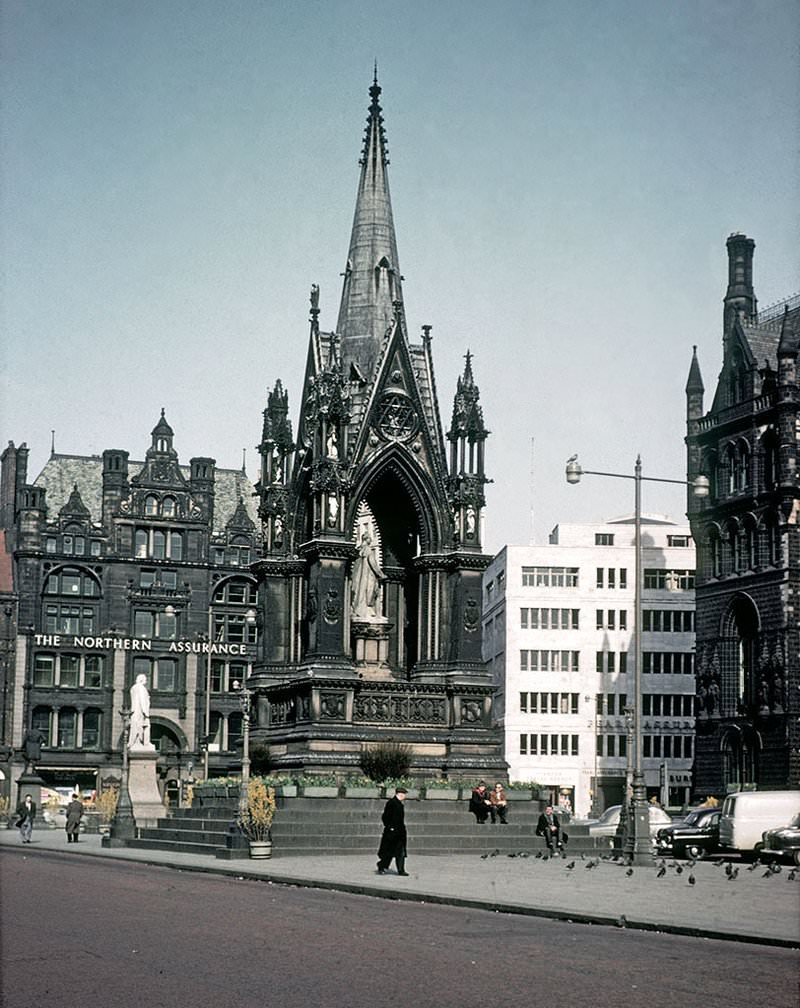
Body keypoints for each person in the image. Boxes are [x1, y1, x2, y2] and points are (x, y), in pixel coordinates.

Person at [351, 528, 385, 619]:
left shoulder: (359, 550)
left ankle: (359, 610)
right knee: (370, 594)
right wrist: (381, 575)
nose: (371, 539)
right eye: (370, 538)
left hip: (358, 578)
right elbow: (373, 564)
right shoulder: (369, 551)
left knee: (360, 593)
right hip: (368, 576)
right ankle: (369, 612)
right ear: (367, 539)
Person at [376, 786, 408, 876]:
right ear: (400, 794)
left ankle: (401, 870)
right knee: (388, 852)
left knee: (400, 852)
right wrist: (390, 827)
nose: (405, 796)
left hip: (400, 833)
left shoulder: (400, 804)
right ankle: (382, 866)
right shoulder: (391, 803)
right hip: (392, 833)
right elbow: (385, 816)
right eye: (404, 794)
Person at [129, 673, 151, 747]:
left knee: (136, 725)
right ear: (141, 680)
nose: (146, 681)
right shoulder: (141, 688)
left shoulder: (133, 688)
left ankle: (136, 742)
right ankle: (140, 742)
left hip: (135, 710)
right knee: (141, 725)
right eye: (145, 679)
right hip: (140, 711)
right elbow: (142, 700)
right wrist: (145, 712)